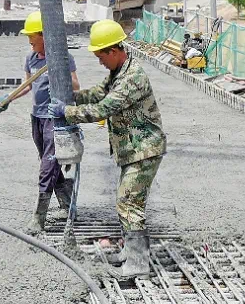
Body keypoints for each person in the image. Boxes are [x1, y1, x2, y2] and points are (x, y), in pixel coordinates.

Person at [48, 19, 166, 279]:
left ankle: (138, 263)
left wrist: (67, 112)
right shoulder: (118, 73)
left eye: (101, 56)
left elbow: (104, 108)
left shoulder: (132, 79)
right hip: (133, 150)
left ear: (113, 51)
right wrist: (70, 96)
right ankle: (132, 254)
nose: (100, 62)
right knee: (127, 201)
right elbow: (99, 93)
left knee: (128, 202)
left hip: (145, 150)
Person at [0, 11, 79, 232]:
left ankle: (39, 218)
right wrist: (8, 99)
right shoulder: (31, 59)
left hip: (54, 118)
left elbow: (76, 86)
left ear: (44, 35)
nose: (29, 40)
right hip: (37, 118)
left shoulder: (61, 58)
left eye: (32, 35)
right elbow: (28, 86)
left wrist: (61, 85)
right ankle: (67, 202)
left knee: (47, 164)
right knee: (48, 159)